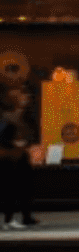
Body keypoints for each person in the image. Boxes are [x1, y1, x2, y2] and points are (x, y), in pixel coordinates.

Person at [0, 85, 32, 230]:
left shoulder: (20, 115)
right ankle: (8, 220)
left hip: (17, 157)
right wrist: (14, 143)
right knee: (9, 189)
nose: (26, 98)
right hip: (8, 158)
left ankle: (19, 218)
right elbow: (2, 138)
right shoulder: (7, 117)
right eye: (21, 95)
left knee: (18, 188)